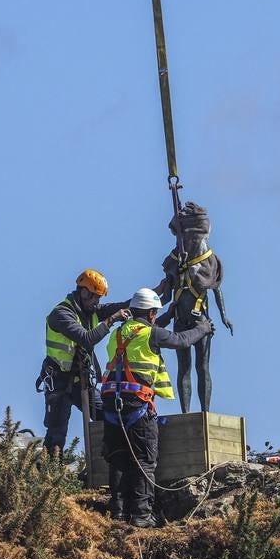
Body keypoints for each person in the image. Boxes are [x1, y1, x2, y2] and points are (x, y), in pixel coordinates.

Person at [101, 287, 214, 527]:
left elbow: (148, 330)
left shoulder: (118, 334)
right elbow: (181, 340)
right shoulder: (150, 333)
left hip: (112, 403)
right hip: (137, 404)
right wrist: (202, 328)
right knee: (144, 460)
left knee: (119, 458)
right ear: (152, 314)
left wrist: (167, 316)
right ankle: (142, 516)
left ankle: (118, 513)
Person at [38, 269, 130, 458]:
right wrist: (112, 320)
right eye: (95, 297)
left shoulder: (89, 310)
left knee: (108, 414)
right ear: (84, 292)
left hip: (81, 381)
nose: (98, 303)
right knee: (57, 434)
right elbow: (86, 339)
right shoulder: (61, 313)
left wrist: (154, 293)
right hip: (59, 382)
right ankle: (49, 476)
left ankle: (106, 458)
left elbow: (123, 305)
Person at [155, 201, 233, 413]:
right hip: (180, 319)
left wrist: (224, 316)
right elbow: (166, 294)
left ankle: (205, 412)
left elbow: (216, 289)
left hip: (201, 321)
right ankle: (186, 412)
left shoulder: (209, 260)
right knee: (184, 368)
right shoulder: (174, 260)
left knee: (203, 367)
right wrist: (151, 312)